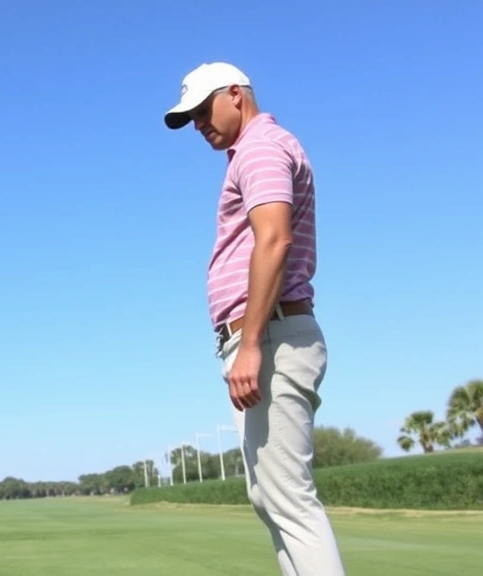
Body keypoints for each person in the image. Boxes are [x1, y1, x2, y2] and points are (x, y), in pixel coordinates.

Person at [162, 62, 346, 575]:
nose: (199, 123)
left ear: (237, 95)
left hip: (271, 336)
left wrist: (250, 343)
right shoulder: (250, 152)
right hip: (267, 336)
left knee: (289, 500)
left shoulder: (262, 147)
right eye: (191, 116)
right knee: (270, 498)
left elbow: (274, 238)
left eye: (204, 109)